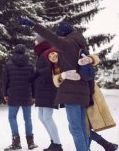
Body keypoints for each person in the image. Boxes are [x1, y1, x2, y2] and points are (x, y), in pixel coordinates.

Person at [19, 18, 91, 151]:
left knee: (75, 129)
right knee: (81, 127)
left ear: (62, 35)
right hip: (83, 90)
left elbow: (49, 36)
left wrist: (33, 25)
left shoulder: (67, 44)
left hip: (71, 92)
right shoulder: (80, 45)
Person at [2, 44, 38, 151]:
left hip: (13, 96)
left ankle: (16, 142)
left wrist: (4, 94)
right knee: (27, 118)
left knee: (12, 117)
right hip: (27, 95)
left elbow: (5, 81)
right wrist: (34, 96)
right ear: (24, 52)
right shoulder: (30, 65)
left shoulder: (8, 64)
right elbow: (34, 82)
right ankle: (30, 142)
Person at [33, 34, 63, 151]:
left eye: (36, 41)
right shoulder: (42, 54)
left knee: (47, 117)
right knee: (41, 117)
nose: (34, 43)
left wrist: (37, 73)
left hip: (49, 89)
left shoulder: (50, 52)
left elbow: (54, 69)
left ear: (41, 42)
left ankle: (58, 145)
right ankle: (53, 142)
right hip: (43, 89)